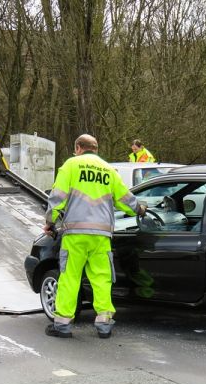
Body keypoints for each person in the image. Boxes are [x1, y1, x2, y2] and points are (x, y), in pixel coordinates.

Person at [44, 134, 147, 339]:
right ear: (96, 149)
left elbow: (58, 198)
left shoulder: (71, 165)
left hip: (75, 234)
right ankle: (104, 323)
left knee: (70, 277)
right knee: (102, 278)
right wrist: (140, 209)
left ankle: (63, 324)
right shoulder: (109, 170)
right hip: (101, 235)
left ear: (78, 148)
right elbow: (126, 199)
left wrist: (49, 222)